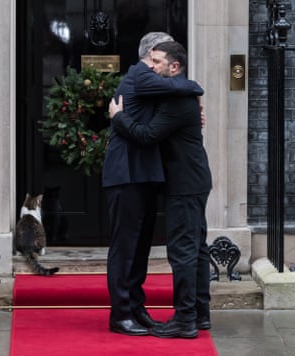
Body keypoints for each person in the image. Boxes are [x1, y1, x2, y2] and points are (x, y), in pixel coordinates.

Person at [109, 40, 212, 339]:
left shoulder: (178, 98)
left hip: (185, 184)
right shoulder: (166, 91)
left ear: (174, 66)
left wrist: (118, 117)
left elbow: (148, 134)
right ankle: (197, 315)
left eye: (156, 61)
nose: (149, 66)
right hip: (188, 181)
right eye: (149, 60)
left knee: (184, 251)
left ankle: (185, 319)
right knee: (195, 248)